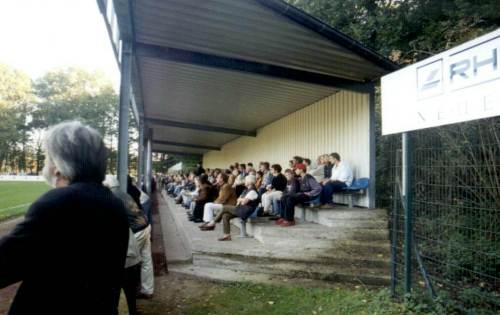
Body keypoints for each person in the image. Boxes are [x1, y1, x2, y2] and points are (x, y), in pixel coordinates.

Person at [0, 121, 129, 314]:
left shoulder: (59, 202)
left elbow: (6, 264)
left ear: (58, 166)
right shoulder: (113, 202)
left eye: (47, 158)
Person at [103, 175, 155, 300]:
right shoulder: (122, 193)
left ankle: (125, 294)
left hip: (137, 231)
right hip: (145, 226)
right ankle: (148, 290)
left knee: (126, 262)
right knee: (146, 260)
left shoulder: (111, 196)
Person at [200, 175, 259, 241]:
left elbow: (244, 202)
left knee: (225, 207)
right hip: (241, 209)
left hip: (245, 211)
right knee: (225, 216)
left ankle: (213, 222)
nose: (244, 181)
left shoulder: (252, 191)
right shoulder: (247, 190)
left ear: (250, 182)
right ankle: (227, 235)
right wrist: (241, 199)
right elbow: (239, 200)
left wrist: (241, 199)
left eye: (246, 180)